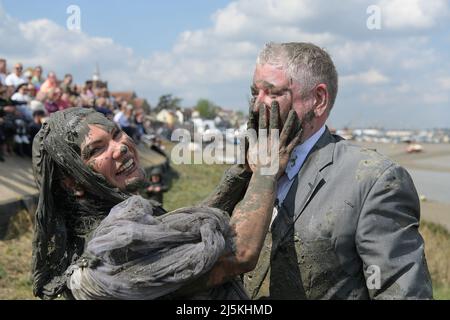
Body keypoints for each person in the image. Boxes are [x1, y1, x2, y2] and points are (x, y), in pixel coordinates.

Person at [31, 106, 301, 300]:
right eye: (97, 149)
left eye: (116, 134)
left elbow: (180, 232)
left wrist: (242, 170)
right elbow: (237, 255)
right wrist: (266, 172)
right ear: (72, 182)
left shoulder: (120, 216)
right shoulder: (108, 249)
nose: (120, 147)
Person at [243, 42, 433, 300]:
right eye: (256, 93)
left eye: (273, 93)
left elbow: (403, 293)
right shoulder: (247, 168)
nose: (257, 106)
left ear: (318, 100)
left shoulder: (373, 181)